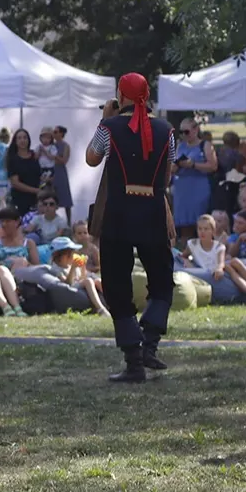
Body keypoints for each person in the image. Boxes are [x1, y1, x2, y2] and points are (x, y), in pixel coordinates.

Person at [84, 73, 177, 382]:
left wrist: (104, 119)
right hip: (151, 211)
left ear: (120, 96)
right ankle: (149, 342)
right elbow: (165, 177)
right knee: (162, 281)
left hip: (119, 214)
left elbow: (91, 159)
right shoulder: (166, 130)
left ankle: (134, 360)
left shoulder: (109, 128)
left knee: (117, 286)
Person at [170, 117, 213, 233]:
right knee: (183, 224)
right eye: (181, 132)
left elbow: (213, 166)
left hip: (198, 186)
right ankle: (186, 249)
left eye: (187, 132)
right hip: (181, 188)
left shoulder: (205, 145)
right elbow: (173, 163)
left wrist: (194, 165)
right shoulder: (180, 146)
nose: (184, 135)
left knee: (200, 222)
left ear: (196, 130)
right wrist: (174, 167)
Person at [5, 129, 46, 217]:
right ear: (15, 141)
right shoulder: (13, 159)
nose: (22, 140)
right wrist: (35, 190)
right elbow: (15, 183)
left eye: (25, 138)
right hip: (20, 199)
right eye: (19, 138)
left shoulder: (34, 155)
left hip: (37, 199)